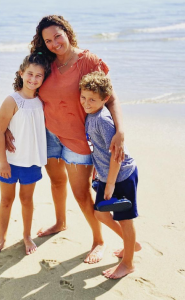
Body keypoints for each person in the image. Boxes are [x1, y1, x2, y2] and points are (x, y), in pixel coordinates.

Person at [5, 15, 132, 264]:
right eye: (48, 40)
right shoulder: (46, 62)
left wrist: (120, 130)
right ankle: (60, 222)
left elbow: (111, 98)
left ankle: (99, 240)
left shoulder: (88, 61)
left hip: (78, 138)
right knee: (56, 183)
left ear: (67, 32)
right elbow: (26, 89)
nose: (54, 43)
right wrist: (9, 124)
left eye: (57, 36)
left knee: (82, 193)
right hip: (49, 134)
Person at [0, 53, 51, 259]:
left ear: (43, 78)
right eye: (30, 74)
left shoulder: (42, 101)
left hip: (31, 161)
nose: (33, 79)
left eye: (39, 76)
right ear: (21, 73)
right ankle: (1, 239)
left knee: (27, 200)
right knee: (6, 200)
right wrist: (3, 162)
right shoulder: (12, 100)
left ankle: (26, 235)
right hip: (10, 162)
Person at [79, 71, 140, 279]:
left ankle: (128, 262)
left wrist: (111, 183)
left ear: (105, 99)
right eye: (83, 97)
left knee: (125, 220)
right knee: (101, 213)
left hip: (121, 175)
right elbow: (100, 148)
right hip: (107, 176)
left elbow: (116, 155)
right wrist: (98, 168)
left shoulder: (103, 120)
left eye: (92, 99)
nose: (86, 103)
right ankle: (131, 244)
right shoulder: (91, 114)